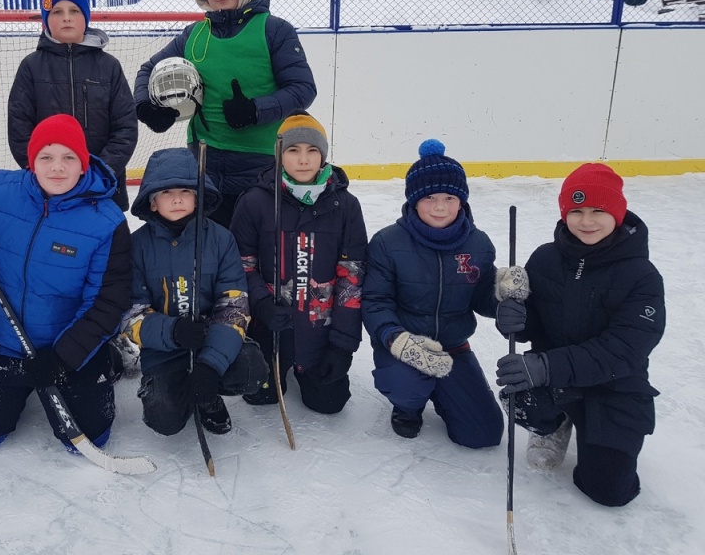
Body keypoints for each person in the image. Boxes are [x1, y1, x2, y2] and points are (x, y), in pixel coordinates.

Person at [0, 114, 132, 453]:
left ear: (83, 164)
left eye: (68, 157)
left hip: (66, 340)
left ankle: (108, 357)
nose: (57, 167)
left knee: (90, 438)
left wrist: (63, 356)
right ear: (32, 161)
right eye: (47, 157)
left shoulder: (106, 221)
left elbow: (107, 302)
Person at [494, 163, 665, 507]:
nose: (586, 221)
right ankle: (555, 422)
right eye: (577, 211)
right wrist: (513, 317)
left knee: (609, 491)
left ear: (617, 211)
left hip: (614, 385)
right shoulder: (545, 258)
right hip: (556, 380)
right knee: (518, 394)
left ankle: (591, 427)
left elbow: (623, 351)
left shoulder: (641, 275)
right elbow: (534, 328)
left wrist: (545, 366)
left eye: (597, 211)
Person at [132, 0, 316, 227]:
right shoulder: (194, 35)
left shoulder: (274, 30)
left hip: (259, 162)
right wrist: (146, 106)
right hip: (204, 161)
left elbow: (303, 88)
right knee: (209, 253)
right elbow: (148, 70)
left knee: (251, 253)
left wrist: (255, 110)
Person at [361, 139, 503, 448]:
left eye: (450, 197)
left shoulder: (478, 244)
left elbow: (482, 297)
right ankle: (408, 405)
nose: (440, 207)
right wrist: (395, 339)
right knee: (407, 384)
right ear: (414, 200)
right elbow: (375, 301)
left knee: (483, 434)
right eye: (430, 197)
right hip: (404, 344)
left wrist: (504, 299)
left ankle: (444, 389)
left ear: (462, 201)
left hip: (452, 347)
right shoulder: (387, 242)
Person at [122, 148, 267, 437]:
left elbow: (234, 305)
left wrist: (211, 364)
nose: (177, 198)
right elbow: (129, 313)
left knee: (251, 370)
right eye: (166, 192)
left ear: (199, 196)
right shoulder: (136, 246)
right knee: (165, 419)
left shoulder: (221, 238)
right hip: (163, 350)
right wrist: (172, 331)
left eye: (186, 191)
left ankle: (208, 396)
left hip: (212, 340)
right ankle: (170, 390)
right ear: (151, 202)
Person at [229, 113, 368, 415]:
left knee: (329, 403)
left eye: (312, 150)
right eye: (293, 150)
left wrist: (343, 345)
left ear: (323, 155)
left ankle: (311, 363)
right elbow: (241, 266)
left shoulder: (345, 205)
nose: (303, 159)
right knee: (260, 395)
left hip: (321, 329)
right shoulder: (255, 202)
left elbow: (352, 278)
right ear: (279, 154)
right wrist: (262, 304)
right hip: (271, 329)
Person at [7, 0, 137, 211]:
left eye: (74, 10)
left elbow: (125, 127)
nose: (67, 17)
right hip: (50, 186)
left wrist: (100, 172)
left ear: (85, 17)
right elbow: (19, 128)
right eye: (57, 11)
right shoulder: (31, 66)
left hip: (102, 186)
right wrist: (46, 171)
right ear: (46, 20)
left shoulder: (109, 66)